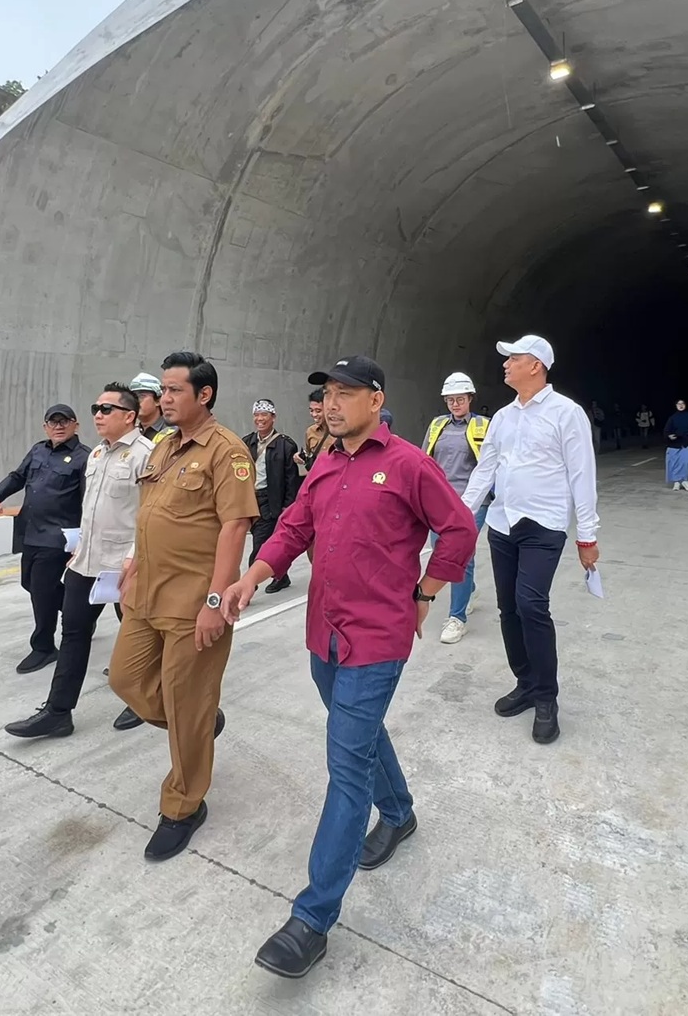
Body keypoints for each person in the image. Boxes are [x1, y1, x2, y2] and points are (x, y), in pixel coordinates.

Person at [221, 355, 476, 980]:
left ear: (375, 400)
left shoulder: (408, 464)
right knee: (356, 735)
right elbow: (292, 529)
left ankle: (312, 919)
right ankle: (401, 812)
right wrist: (252, 575)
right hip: (324, 636)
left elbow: (460, 530)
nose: (331, 404)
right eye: (326, 394)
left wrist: (423, 595)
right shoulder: (325, 463)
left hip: (377, 637)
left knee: (344, 769)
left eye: (344, 393)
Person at [110, 352, 258, 861]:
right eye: (163, 391)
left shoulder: (227, 451)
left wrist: (216, 602)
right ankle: (197, 722)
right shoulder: (164, 448)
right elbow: (149, 515)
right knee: (125, 680)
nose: (162, 399)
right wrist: (132, 564)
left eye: (173, 391)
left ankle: (183, 806)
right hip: (147, 593)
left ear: (204, 395)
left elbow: (235, 528)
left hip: (193, 602)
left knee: (184, 698)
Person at [462, 336, 599, 746]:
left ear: (535, 365)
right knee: (508, 608)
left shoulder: (566, 414)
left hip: (544, 526)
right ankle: (525, 682)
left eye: (513, 359)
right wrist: (462, 515)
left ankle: (546, 698)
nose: (505, 365)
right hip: (503, 524)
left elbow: (582, 475)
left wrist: (587, 534)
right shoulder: (502, 417)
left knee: (531, 604)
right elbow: (485, 470)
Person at [4, 384, 155, 739]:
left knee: (135, 635)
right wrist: (80, 546)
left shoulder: (147, 455)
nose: (98, 415)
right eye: (96, 408)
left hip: (124, 566)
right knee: (73, 633)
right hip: (86, 562)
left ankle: (141, 699)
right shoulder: (98, 456)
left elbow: (151, 515)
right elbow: (90, 510)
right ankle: (58, 712)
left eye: (107, 409)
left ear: (130, 416)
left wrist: (135, 558)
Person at [0, 405, 90, 673]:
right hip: (30, 531)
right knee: (29, 583)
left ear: (75, 425)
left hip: (58, 538)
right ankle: (78, 611)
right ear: (45, 427)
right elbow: (17, 477)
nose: (58, 426)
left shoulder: (85, 458)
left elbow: (90, 503)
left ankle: (43, 647)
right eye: (52, 422)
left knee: (42, 591)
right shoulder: (38, 450)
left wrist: (84, 542)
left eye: (64, 421)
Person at [421, 372, 491, 644]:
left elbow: (493, 464)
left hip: (474, 503)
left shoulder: (485, 426)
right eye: (450, 400)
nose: (455, 404)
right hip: (441, 502)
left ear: (470, 398)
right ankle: (469, 589)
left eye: (460, 399)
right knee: (440, 552)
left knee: (462, 556)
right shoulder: (438, 425)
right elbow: (424, 460)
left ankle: (457, 618)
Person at [243, 400, 299, 593]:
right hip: (251, 499)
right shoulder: (246, 442)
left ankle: (248, 586)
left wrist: (288, 506)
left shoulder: (285, 444)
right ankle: (282, 577)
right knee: (270, 542)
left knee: (259, 544)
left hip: (272, 500)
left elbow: (291, 479)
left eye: (264, 415)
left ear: (273, 417)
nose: (260, 419)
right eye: (256, 415)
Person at [662, 399, 688, 491]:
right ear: (676, 406)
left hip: (686, 443)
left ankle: (685, 481)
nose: (681, 405)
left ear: (685, 405)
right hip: (674, 444)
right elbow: (666, 431)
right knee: (675, 463)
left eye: (683, 403)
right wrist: (669, 436)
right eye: (678, 404)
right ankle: (677, 482)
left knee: (686, 462)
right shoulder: (672, 418)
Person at [129, 371, 175, 444]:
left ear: (158, 400)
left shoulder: (173, 433)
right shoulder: (131, 433)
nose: (136, 401)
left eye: (141, 396)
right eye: (133, 397)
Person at [294, 388, 329, 478]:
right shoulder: (310, 431)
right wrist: (300, 457)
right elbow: (309, 453)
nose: (314, 414)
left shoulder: (341, 432)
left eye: (318, 411)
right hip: (316, 479)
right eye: (311, 410)